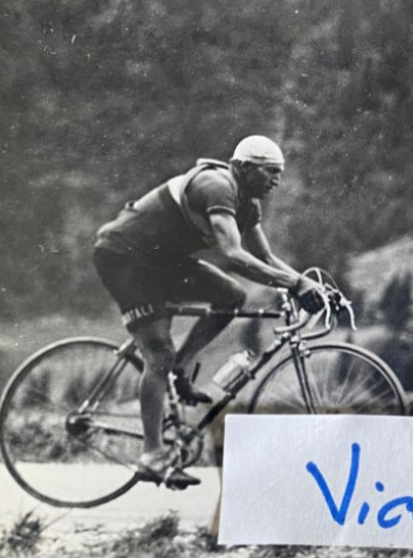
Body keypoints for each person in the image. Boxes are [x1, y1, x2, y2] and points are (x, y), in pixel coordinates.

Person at [91, 135, 326, 486]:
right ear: (244, 167)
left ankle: (180, 368)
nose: (276, 181)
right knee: (158, 354)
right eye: (270, 172)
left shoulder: (248, 204)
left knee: (231, 296)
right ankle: (152, 455)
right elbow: (233, 254)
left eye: (280, 174)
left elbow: (266, 258)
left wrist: (313, 285)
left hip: (161, 261)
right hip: (124, 256)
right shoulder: (216, 185)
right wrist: (295, 285)